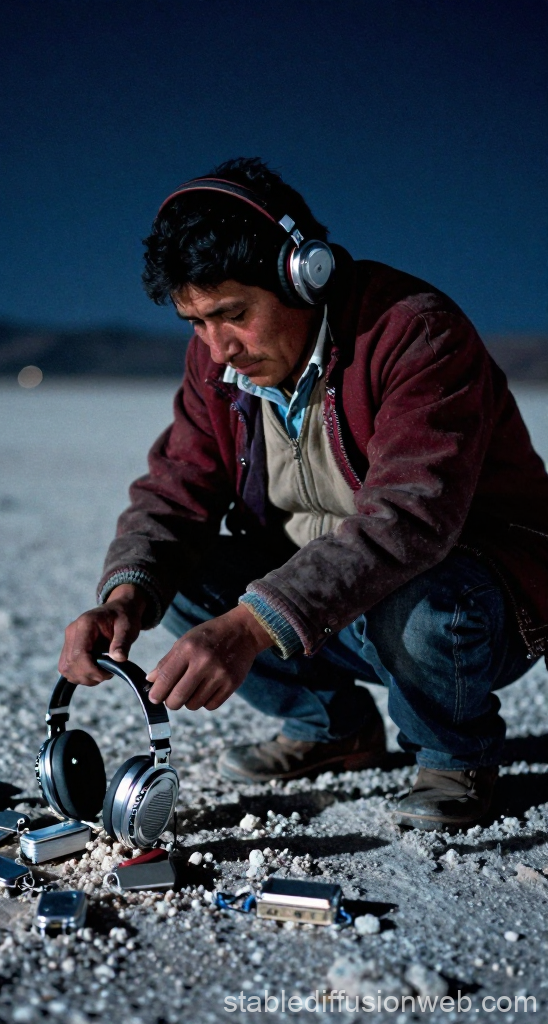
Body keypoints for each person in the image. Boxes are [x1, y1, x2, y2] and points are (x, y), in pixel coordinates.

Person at [58, 157, 548, 831]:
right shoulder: (218, 364)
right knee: (179, 577)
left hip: (472, 597)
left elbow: (409, 521)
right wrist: (123, 600)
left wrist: (247, 627)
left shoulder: (412, 333)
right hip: (325, 599)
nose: (217, 347)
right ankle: (334, 731)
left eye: (233, 314)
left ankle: (454, 755)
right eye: (195, 322)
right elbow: (177, 488)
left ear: (303, 272)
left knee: (422, 593)